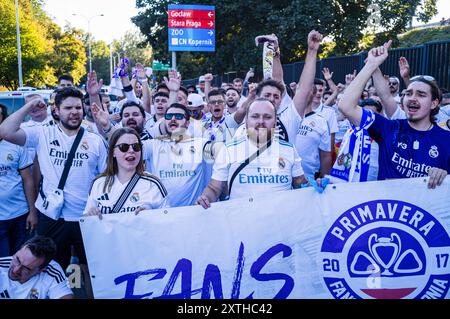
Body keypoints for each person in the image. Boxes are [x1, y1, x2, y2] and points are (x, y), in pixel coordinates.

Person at [0, 87, 108, 297]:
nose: (74, 112)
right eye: (68, 108)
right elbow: (5, 131)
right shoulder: (42, 133)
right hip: (52, 218)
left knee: (90, 270)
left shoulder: (95, 140)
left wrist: (97, 205)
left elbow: (105, 178)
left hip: (86, 218)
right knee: (49, 269)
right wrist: (30, 104)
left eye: (78, 107)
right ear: (56, 110)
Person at [338, 40, 449, 188]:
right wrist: (371, 65)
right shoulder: (388, 128)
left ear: (434, 103)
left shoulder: (446, 140)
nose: (412, 98)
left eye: (421, 95)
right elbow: (346, 106)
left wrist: (444, 175)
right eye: (408, 93)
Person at [197, 98, 312, 208]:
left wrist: (315, 186)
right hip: (242, 222)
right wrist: (206, 198)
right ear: (246, 121)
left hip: (281, 223)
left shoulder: (289, 149)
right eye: (255, 116)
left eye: (267, 117)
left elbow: (300, 184)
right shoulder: (228, 150)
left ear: (275, 122)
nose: (261, 122)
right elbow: (215, 188)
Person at [84, 128, 167, 218]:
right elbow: (87, 219)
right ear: (113, 152)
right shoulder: (98, 183)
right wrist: (91, 214)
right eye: (124, 147)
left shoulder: (153, 184)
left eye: (136, 146)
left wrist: (152, 214)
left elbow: (166, 219)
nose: (131, 150)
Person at [0, 104, 37, 257]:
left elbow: (28, 180)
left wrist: (33, 212)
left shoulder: (15, 144)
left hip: (19, 215)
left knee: (20, 259)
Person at [0, 236, 73, 299]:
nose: (16, 270)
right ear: (17, 251)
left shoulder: (52, 271)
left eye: (26, 268)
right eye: (17, 259)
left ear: (41, 269)